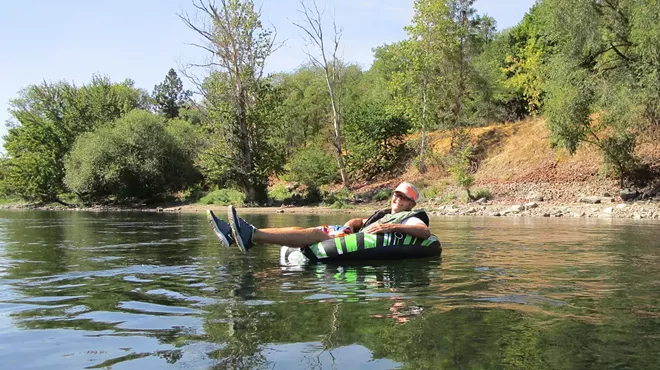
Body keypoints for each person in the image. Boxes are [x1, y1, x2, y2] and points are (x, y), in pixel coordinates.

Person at [208, 182, 431, 254]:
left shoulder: (409, 217)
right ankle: (233, 234)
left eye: (403, 198)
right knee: (300, 228)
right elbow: (357, 221)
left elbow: (424, 232)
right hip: (350, 237)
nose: (397, 199)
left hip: (358, 246)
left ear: (411, 203)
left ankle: (251, 235)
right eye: (395, 194)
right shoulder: (383, 213)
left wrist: (391, 228)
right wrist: (346, 227)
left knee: (316, 235)